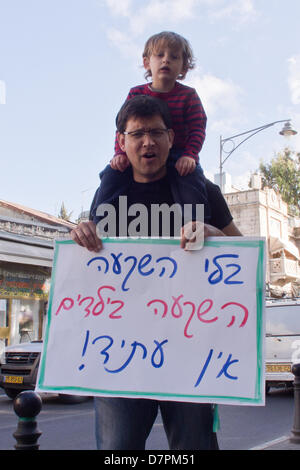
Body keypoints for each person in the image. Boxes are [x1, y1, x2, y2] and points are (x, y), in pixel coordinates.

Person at [71, 95, 241, 450]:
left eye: (156, 132)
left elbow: (247, 256)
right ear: (121, 141)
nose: (147, 141)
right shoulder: (107, 196)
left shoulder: (204, 191)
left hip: (190, 355)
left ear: (171, 138)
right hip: (119, 356)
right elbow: (92, 265)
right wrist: (80, 234)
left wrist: (218, 238)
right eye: (137, 134)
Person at [100, 31, 212, 222]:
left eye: (174, 57)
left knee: (192, 180)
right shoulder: (135, 93)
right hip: (140, 159)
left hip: (179, 156)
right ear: (147, 63)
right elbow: (122, 128)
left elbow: (197, 129)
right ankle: (98, 222)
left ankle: (198, 224)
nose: (166, 60)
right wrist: (119, 153)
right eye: (160, 55)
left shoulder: (189, 96)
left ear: (184, 68)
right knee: (111, 173)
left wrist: (190, 155)